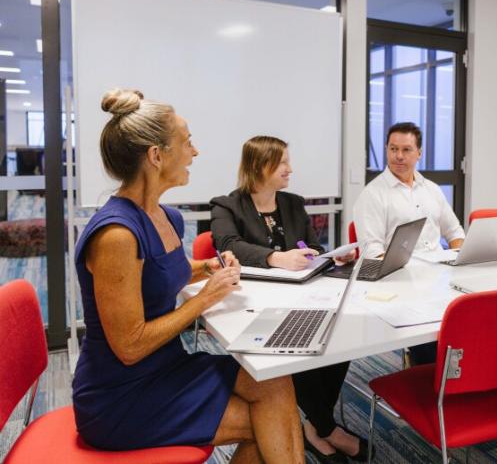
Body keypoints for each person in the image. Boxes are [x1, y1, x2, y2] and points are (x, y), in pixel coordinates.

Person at [72, 90, 303, 463]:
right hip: (120, 396)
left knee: (275, 380)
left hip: (167, 365)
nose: (195, 152)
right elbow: (129, 347)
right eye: (187, 142)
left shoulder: (166, 217)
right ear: (156, 156)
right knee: (271, 422)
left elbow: (161, 271)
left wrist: (205, 267)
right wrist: (204, 298)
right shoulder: (116, 235)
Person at [210, 135, 364, 463]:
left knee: (340, 340)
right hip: (254, 304)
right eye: (282, 163)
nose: (289, 169)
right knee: (300, 344)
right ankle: (325, 428)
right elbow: (227, 245)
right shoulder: (226, 205)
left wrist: (330, 258)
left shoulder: (292, 202)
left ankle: (316, 426)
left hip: (304, 294)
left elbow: (311, 247)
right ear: (258, 166)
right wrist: (276, 258)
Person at [353, 122, 465, 364]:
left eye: (406, 150)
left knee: (474, 316)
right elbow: (372, 253)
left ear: (419, 153)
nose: (399, 156)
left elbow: (454, 232)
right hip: (403, 284)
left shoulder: (432, 190)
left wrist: (465, 259)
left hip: (440, 279)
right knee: (436, 344)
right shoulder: (372, 195)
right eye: (393, 149)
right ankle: (429, 379)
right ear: (386, 150)